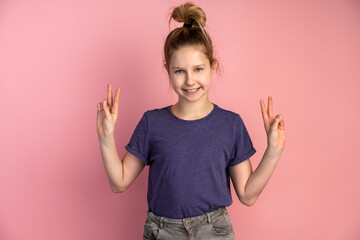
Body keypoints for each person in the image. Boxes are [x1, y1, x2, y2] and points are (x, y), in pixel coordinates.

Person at [96, 2, 286, 240]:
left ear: (212, 66)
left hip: (213, 231)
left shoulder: (230, 125)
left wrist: (274, 149)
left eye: (198, 69)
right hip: (163, 231)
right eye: (179, 71)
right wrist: (105, 136)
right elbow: (119, 182)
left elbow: (248, 195)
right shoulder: (152, 123)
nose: (189, 81)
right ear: (168, 70)